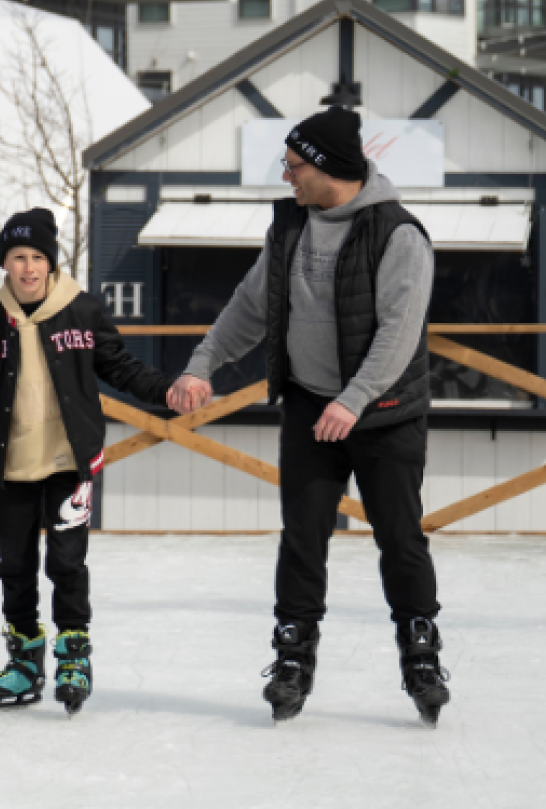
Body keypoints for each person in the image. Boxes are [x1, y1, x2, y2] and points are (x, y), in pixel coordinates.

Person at [166, 107, 449, 726]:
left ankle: (420, 652)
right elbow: (250, 306)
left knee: (399, 537)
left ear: (325, 168)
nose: (286, 178)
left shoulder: (399, 235)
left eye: (294, 166)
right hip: (308, 405)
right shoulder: (291, 228)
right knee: (303, 538)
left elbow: (400, 333)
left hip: (385, 414)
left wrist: (354, 401)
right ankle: (294, 656)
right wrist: (202, 363)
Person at [0, 208, 173, 715]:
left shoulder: (83, 311)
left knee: (67, 563)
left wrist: (168, 391)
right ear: (4, 263)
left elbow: (121, 367)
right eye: (17, 257)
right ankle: (25, 662)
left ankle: (73, 655)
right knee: (15, 566)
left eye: (36, 257)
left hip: (70, 464)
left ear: (50, 262)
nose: (27, 267)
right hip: (13, 469)